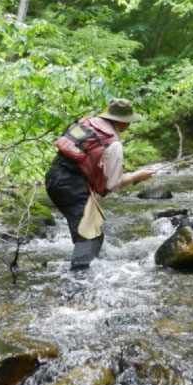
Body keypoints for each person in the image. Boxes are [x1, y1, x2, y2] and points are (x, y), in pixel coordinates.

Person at [45, 98, 154, 271]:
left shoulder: (88, 122)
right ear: (124, 123)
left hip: (53, 178)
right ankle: (79, 280)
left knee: (85, 229)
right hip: (72, 185)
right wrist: (136, 176)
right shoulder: (113, 143)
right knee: (90, 236)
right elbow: (113, 185)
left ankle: (79, 267)